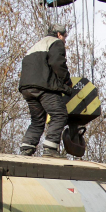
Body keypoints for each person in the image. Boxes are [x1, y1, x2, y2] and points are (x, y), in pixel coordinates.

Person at [18, 23, 75, 158]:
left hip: (27, 88)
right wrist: (66, 80)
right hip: (43, 87)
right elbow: (57, 63)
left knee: (37, 120)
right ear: (59, 34)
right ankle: (50, 149)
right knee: (59, 114)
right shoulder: (55, 42)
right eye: (64, 37)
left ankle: (26, 148)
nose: (64, 40)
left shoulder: (35, 46)